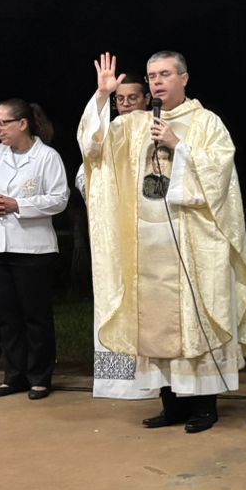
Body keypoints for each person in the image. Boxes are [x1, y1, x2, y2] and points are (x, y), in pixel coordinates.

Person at [79, 51, 246, 433]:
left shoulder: (206, 122)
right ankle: (171, 404)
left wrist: (179, 145)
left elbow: (220, 172)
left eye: (164, 74)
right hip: (147, 244)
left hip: (192, 241)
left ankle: (204, 407)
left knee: (196, 321)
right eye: (151, 76)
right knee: (154, 324)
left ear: (184, 78)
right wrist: (102, 96)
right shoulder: (135, 124)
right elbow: (94, 150)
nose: (157, 82)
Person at [0, 98, 70, 401]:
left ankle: (40, 376)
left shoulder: (47, 157)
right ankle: (13, 375)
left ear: (23, 124)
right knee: (7, 315)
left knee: (35, 315)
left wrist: (19, 205)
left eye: (3, 123)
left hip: (33, 248)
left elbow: (59, 198)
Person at [76, 72, 155, 401]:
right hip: (113, 237)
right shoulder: (108, 131)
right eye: (119, 99)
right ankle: (119, 381)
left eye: (132, 98)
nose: (125, 104)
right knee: (115, 299)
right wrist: (100, 95)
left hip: (149, 233)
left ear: (146, 99)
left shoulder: (156, 128)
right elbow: (88, 154)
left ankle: (154, 380)